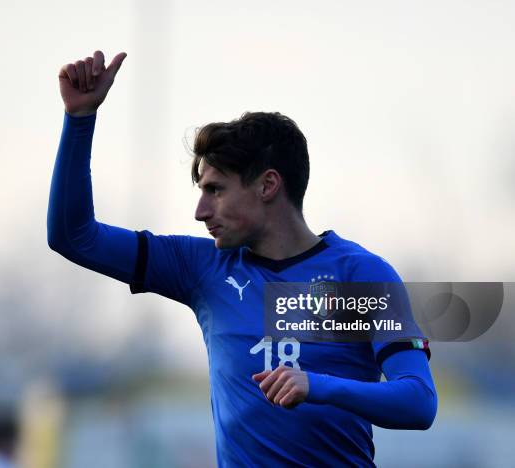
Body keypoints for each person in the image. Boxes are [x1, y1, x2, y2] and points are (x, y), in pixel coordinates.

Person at [48, 49, 437, 467]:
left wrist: (318, 386)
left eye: (215, 190)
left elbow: (418, 401)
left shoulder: (357, 277)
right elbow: (74, 236)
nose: (200, 211)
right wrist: (80, 119)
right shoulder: (202, 269)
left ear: (267, 185)